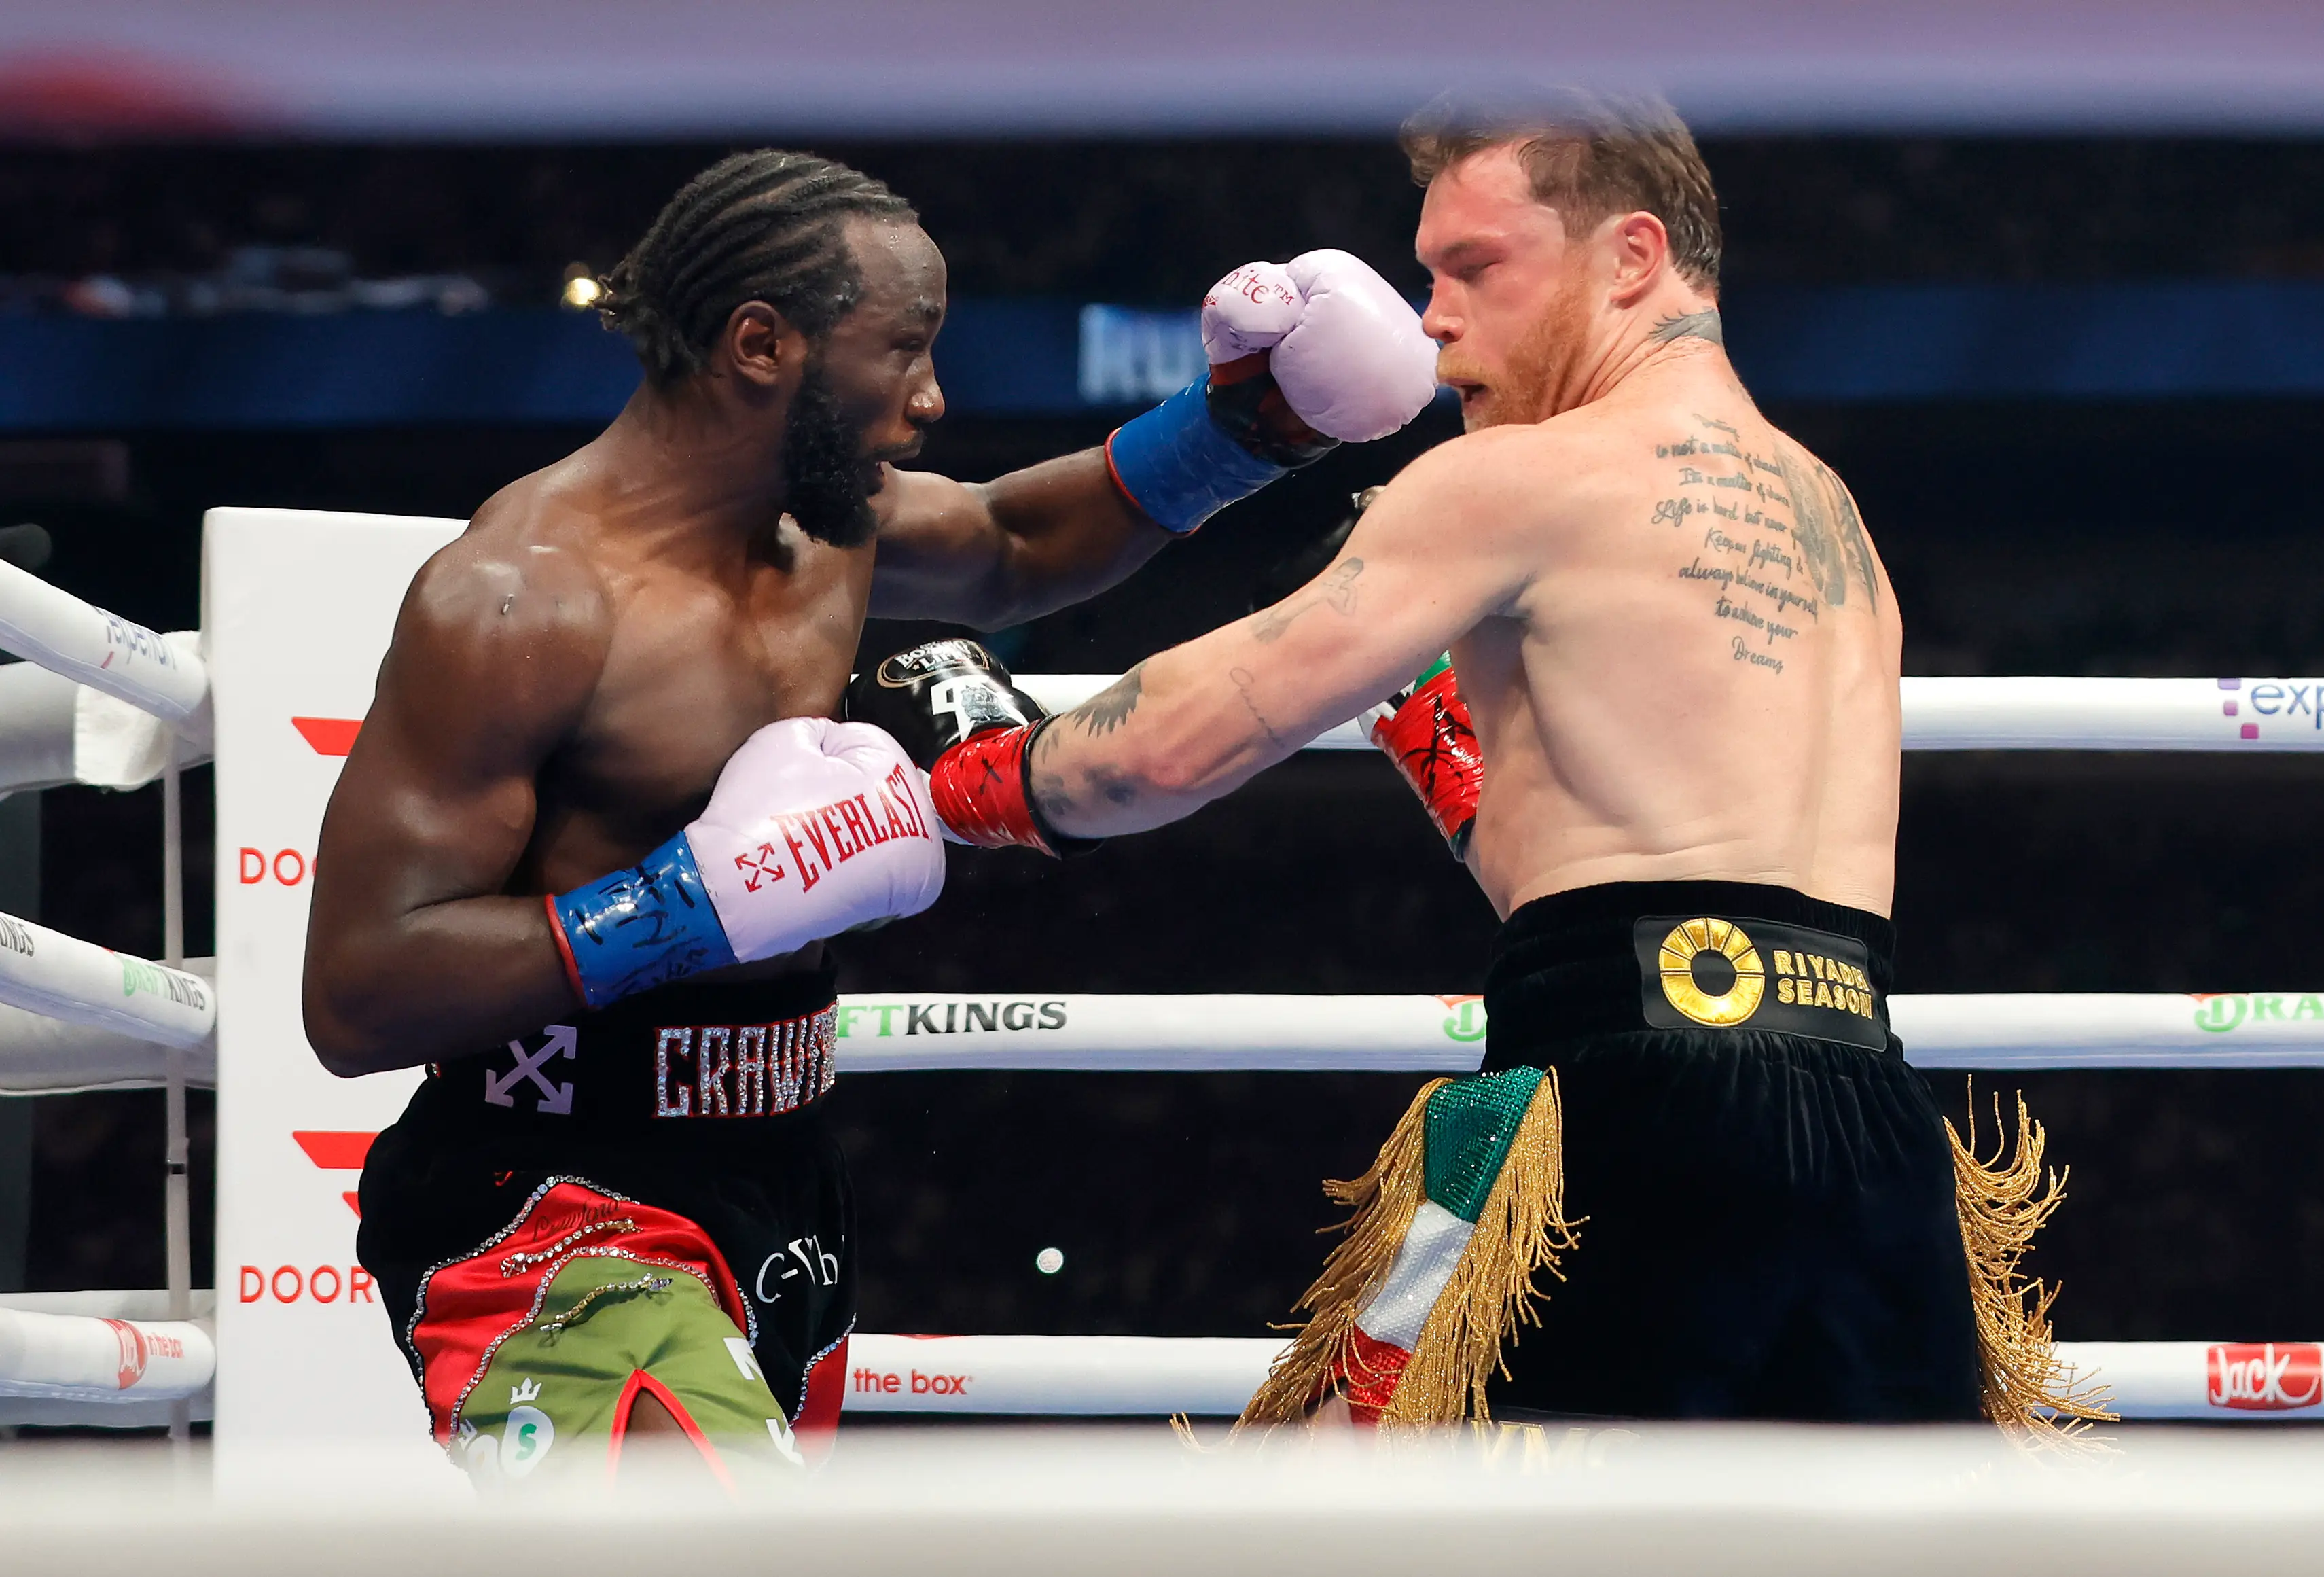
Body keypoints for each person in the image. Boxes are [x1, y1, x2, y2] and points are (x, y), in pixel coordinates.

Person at [863, 92, 2101, 1432]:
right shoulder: (1828, 514)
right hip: (1870, 1128)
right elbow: (1637, 858)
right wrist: (1458, 765)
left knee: (1395, 1519)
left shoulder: (1517, 478)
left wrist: (975, 771)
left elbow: (1171, 745)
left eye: (1470, 268)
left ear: (1629, 257)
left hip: (1622, 1119)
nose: (1429, 319)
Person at [300, 148, 1438, 1485]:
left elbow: (1016, 542)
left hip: (778, 1181)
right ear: (760, 343)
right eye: (901, 352)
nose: (933, 396)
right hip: (547, 1202)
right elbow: (357, 994)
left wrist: (1245, 430)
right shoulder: (519, 599)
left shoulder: (824, 526)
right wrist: (683, 905)